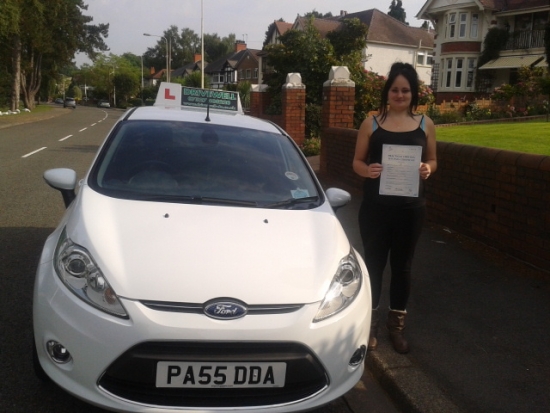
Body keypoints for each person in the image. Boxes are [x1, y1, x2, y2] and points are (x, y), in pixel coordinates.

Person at [352, 62, 437, 354]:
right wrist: (369, 171)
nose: (400, 94)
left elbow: (434, 161)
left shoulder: (426, 124)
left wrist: (428, 168)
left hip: (411, 209)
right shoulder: (371, 123)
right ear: (387, 92)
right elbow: (357, 162)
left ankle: (396, 326)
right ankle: (371, 324)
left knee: (403, 267)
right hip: (376, 208)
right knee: (373, 264)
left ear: (413, 94)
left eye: (406, 90)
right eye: (395, 89)